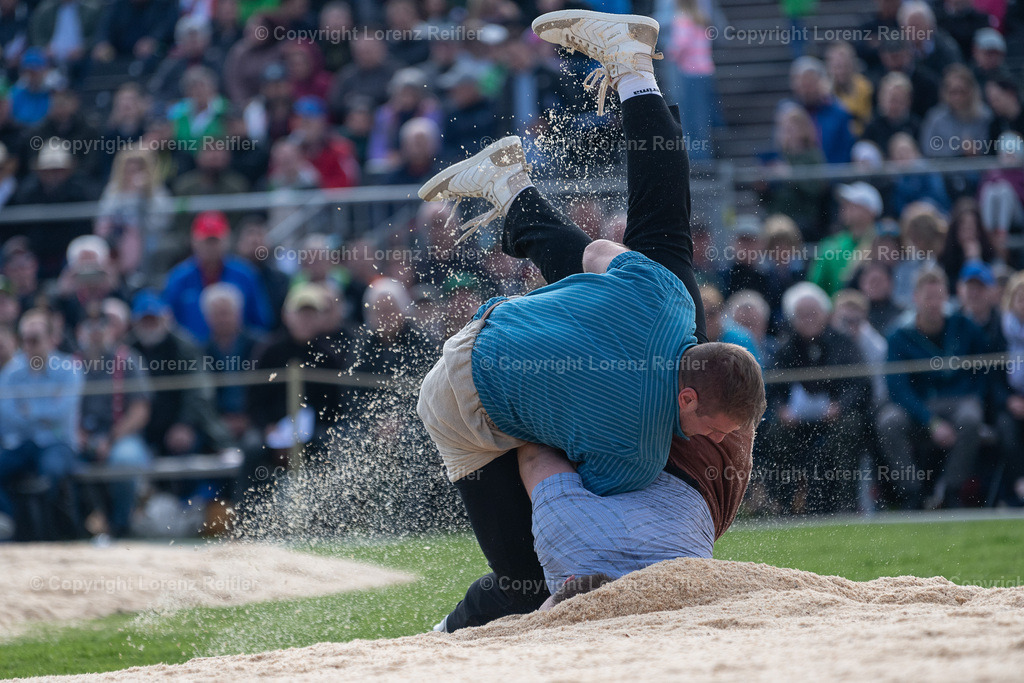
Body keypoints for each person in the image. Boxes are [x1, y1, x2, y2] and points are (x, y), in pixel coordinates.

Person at [418, 9, 765, 631]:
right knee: (525, 580)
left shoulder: (669, 304)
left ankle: (545, 161)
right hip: (462, 392)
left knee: (660, 242)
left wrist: (580, 334)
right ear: (689, 397)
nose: (719, 440)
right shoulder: (636, 454)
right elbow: (538, 458)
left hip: (507, 327)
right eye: (714, 430)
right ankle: (439, 639)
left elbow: (599, 255)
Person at [0, 308, 83, 539]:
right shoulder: (11, 372)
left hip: (58, 443)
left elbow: (62, 413)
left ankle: (56, 536)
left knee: (52, 473)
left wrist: (27, 411)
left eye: (35, 340)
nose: (29, 346)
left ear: (51, 339)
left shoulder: (70, 369)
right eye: (25, 340)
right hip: (21, 444)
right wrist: (44, 412)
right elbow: (6, 416)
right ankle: (13, 525)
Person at [163, 211, 272, 343]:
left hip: (237, 354)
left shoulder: (245, 274)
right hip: (190, 355)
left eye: (215, 240)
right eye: (207, 241)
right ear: (194, 241)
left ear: (227, 240)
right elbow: (169, 324)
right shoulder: (178, 278)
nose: (211, 247)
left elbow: (260, 322)